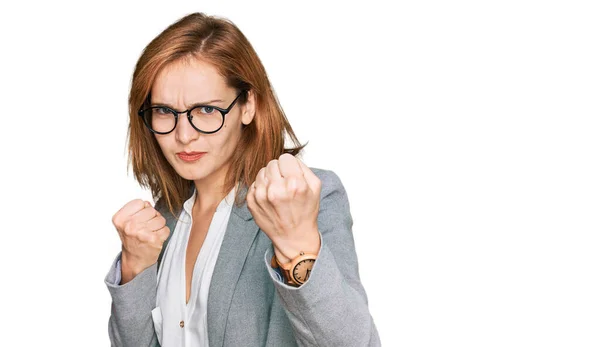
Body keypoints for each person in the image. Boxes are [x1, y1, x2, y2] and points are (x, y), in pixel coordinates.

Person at [104, 12, 380, 347]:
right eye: (164, 111)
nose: (183, 135)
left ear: (248, 105)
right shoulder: (164, 219)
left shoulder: (308, 199)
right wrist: (134, 267)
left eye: (206, 110)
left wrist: (296, 244)